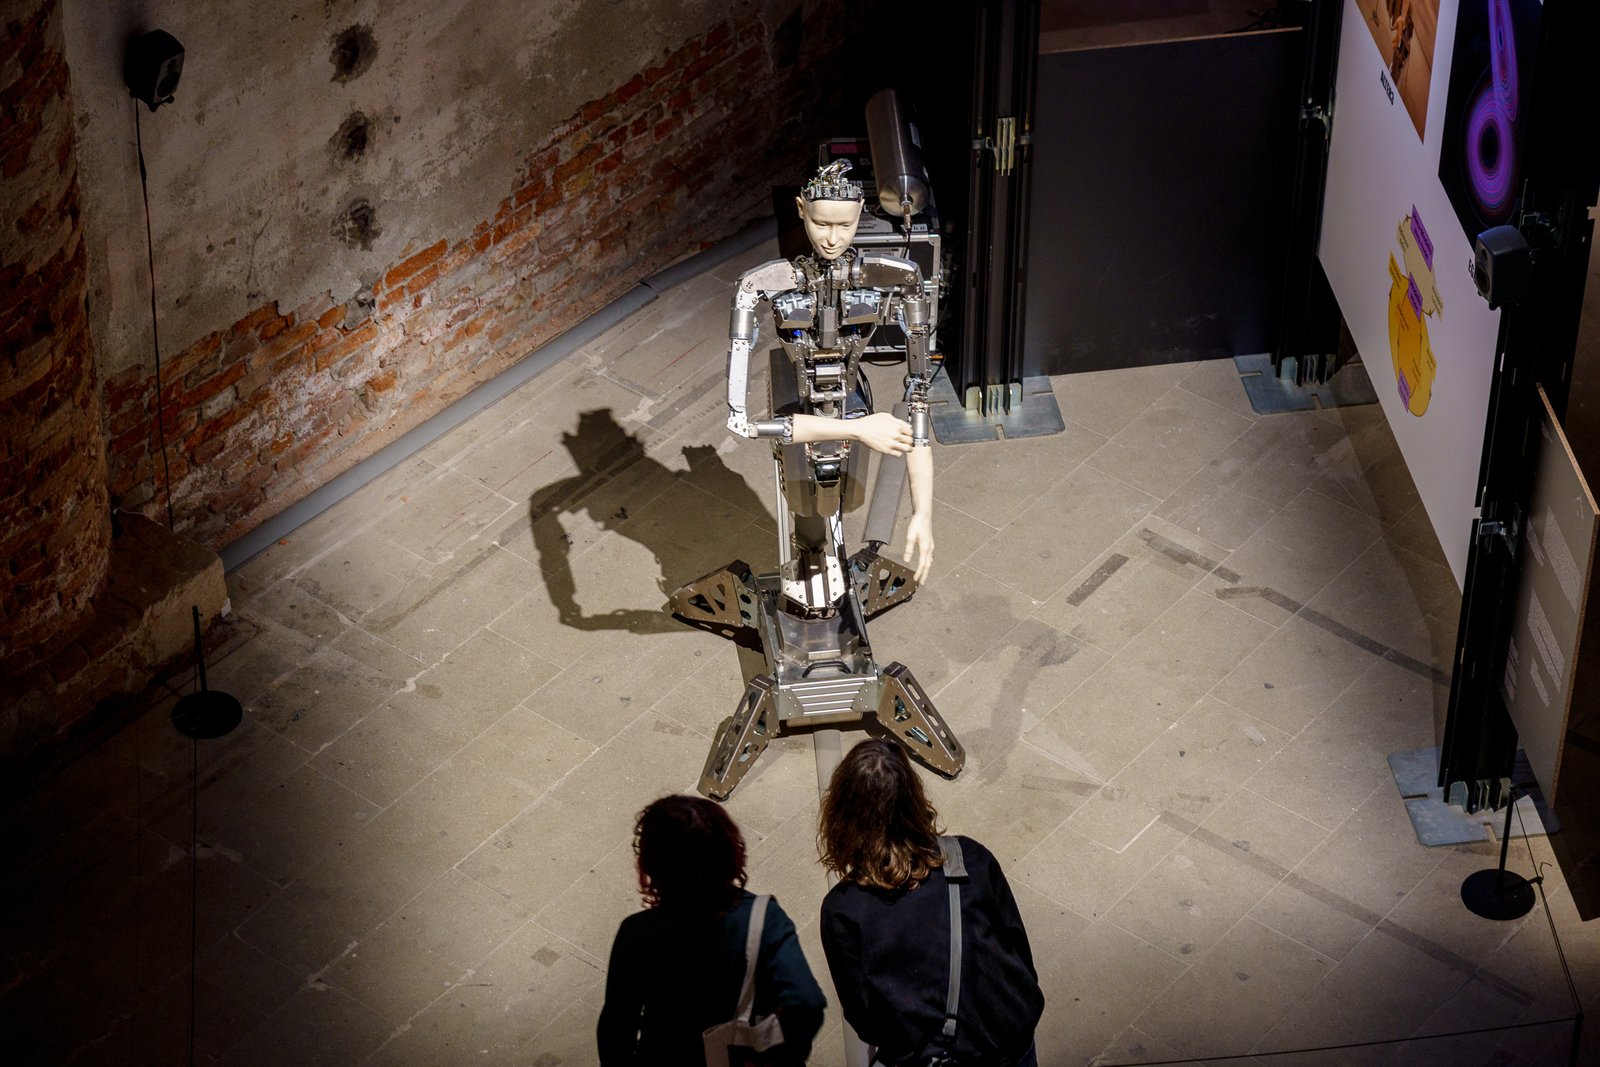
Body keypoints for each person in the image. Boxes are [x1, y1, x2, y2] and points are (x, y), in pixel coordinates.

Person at [818, 740, 1043, 1066]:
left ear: (842, 816)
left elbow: (865, 1019)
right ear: (914, 798)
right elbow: (1017, 948)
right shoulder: (969, 860)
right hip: (1009, 1043)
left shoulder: (844, 911)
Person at [597, 795, 826, 1065]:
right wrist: (770, 1056)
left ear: (653, 865)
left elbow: (616, 1033)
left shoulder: (636, 934)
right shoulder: (764, 920)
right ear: (729, 851)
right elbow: (806, 1003)